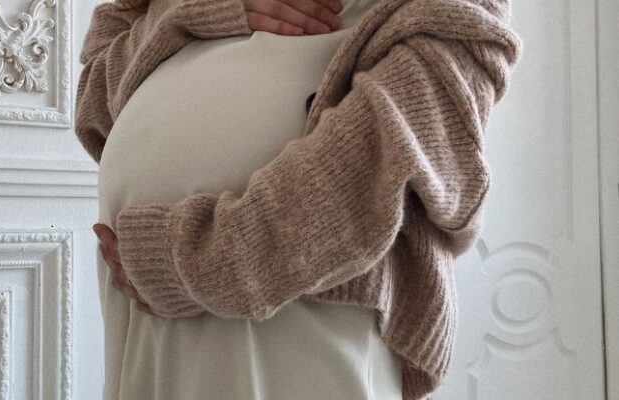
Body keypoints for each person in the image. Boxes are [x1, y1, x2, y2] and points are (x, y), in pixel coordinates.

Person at [77, 0, 521, 399]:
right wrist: (190, 14)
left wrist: (183, 262)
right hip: (146, 313)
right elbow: (93, 106)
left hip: (302, 320)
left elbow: (368, 171)